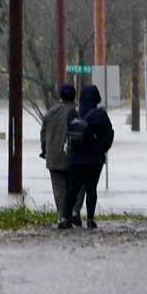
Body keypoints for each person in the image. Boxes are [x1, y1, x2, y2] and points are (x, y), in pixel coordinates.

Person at [59, 84, 113, 230]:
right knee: (91, 189)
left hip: (75, 158)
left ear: (81, 97)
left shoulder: (73, 113)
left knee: (72, 189)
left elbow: (70, 131)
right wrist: (102, 149)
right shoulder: (101, 115)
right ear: (97, 98)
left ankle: (65, 218)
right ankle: (90, 219)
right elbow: (109, 134)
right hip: (95, 159)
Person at [40, 83, 84, 226]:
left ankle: (62, 216)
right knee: (77, 187)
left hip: (55, 157)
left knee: (59, 189)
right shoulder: (80, 112)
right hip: (75, 157)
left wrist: (45, 151)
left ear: (61, 97)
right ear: (74, 96)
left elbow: (43, 134)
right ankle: (74, 211)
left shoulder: (51, 113)